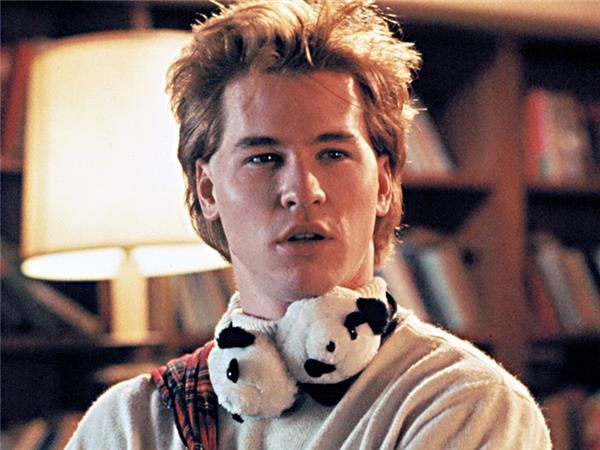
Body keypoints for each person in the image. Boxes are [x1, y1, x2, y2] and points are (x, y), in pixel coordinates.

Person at [67, 0, 551, 448]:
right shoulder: (130, 422)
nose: (303, 189)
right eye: (263, 157)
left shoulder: (463, 402)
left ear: (384, 183)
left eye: (334, 153)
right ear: (208, 190)